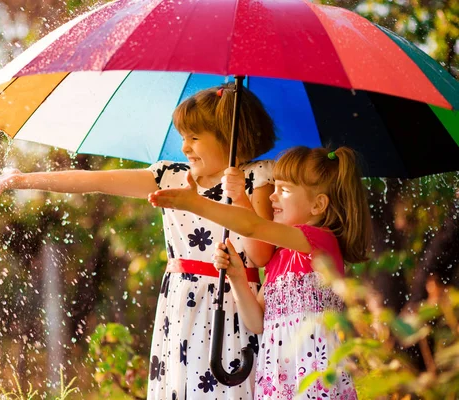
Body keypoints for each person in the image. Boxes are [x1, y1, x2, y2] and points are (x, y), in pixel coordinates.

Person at [0, 83, 277, 399]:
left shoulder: (258, 178)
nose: (185, 147)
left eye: (195, 138)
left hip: (234, 303)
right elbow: (96, 182)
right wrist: (20, 180)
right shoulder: (169, 175)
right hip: (181, 303)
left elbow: (260, 254)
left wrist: (239, 195)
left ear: (230, 137)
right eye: (183, 137)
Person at [148, 146, 371, 399]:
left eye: (284, 190)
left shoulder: (320, 242)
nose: (272, 197)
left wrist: (196, 203)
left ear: (318, 204)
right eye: (273, 187)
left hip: (313, 375)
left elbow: (252, 227)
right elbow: (256, 323)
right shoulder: (279, 258)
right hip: (277, 379)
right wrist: (237, 277)